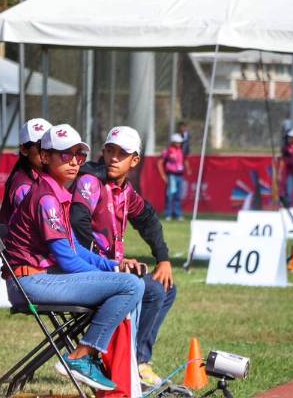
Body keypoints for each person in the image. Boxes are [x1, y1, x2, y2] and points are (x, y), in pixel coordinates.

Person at [3, 124, 145, 391]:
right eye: (65, 155)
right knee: (132, 286)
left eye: (79, 155)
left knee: (126, 282)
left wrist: (112, 267)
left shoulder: (55, 192)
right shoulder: (46, 197)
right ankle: (81, 357)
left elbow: (76, 250)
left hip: (38, 279)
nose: (74, 162)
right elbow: (68, 260)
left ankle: (97, 361)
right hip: (30, 284)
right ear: (44, 157)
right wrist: (114, 276)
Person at [71, 126, 176, 389]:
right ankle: (134, 364)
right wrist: (111, 264)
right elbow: (77, 223)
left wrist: (163, 258)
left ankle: (139, 361)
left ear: (135, 160)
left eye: (122, 153)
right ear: (103, 152)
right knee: (151, 290)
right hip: (89, 270)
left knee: (166, 287)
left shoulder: (125, 191)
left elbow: (149, 219)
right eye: (110, 151)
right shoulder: (90, 182)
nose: (114, 158)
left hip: (110, 271)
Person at [0, 118, 53, 224]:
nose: (47, 153)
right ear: (24, 149)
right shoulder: (25, 187)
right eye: (41, 147)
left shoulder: (42, 178)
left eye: (51, 147)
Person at [158, 133, 190, 221]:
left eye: (180, 142)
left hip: (180, 176)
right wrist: (163, 175)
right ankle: (168, 214)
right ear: (173, 142)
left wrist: (188, 169)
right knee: (170, 195)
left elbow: (185, 160)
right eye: (177, 142)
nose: (179, 143)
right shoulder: (167, 151)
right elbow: (160, 162)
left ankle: (178, 214)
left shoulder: (181, 151)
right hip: (171, 175)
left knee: (178, 196)